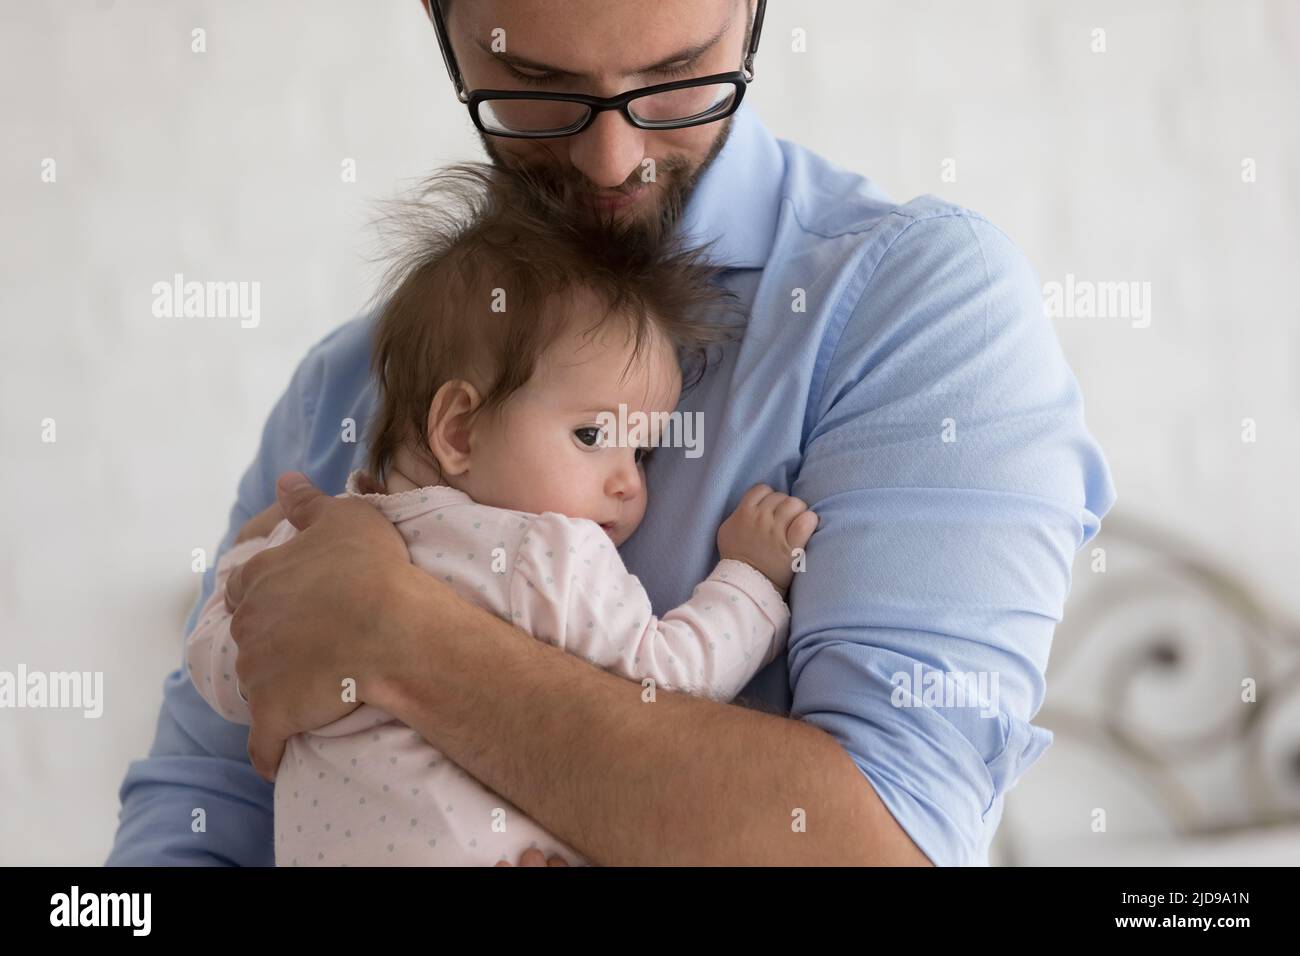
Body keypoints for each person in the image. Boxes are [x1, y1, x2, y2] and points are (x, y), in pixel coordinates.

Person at [108, 0, 1115, 866]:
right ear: (439, 21)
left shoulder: (918, 307)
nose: (610, 158)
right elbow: (200, 813)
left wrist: (393, 633)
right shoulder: (346, 379)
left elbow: (882, 843)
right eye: (535, 81)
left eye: (677, 77)